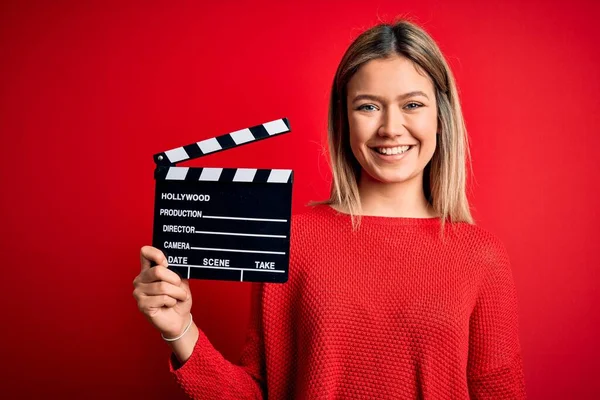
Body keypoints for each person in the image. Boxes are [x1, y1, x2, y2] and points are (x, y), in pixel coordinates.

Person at [133, 19, 527, 399]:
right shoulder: (293, 240)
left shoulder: (481, 256)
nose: (390, 127)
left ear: (440, 118)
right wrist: (180, 329)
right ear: (344, 120)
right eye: (369, 107)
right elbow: (257, 393)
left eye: (412, 104)